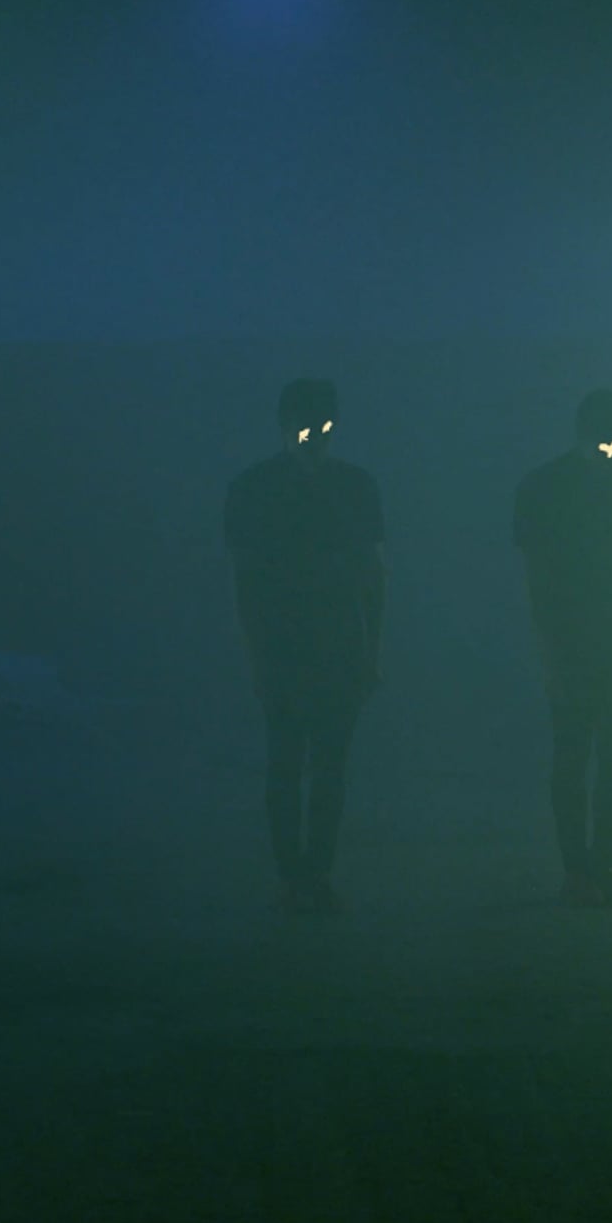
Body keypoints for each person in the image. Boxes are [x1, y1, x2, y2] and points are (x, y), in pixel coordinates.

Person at [224, 378, 385, 914]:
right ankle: (307, 876)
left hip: (310, 647)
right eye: (307, 428)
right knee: (306, 764)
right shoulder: (351, 485)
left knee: (300, 764)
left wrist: (370, 651)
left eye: (321, 428)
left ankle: (303, 876)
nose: (314, 437)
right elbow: (370, 577)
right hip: (311, 647)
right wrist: (371, 650)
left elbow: (247, 582)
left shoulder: (255, 487)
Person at [514, 390, 612, 908]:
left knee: (607, 761)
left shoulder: (551, 484)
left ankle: (596, 868)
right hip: (580, 643)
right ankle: (585, 870)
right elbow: (540, 581)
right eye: (609, 444)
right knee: (580, 756)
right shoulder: (553, 486)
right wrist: (552, 655)